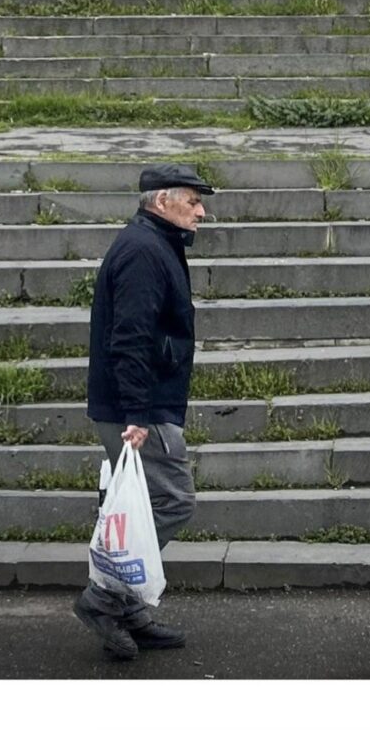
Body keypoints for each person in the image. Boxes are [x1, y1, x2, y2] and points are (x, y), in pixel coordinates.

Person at [72, 163, 213, 660]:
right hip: (139, 409)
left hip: (143, 403)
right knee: (173, 501)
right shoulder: (143, 250)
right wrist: (137, 413)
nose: (202, 210)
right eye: (193, 200)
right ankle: (104, 598)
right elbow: (129, 336)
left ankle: (128, 609)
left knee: (147, 508)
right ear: (162, 202)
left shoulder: (155, 244)